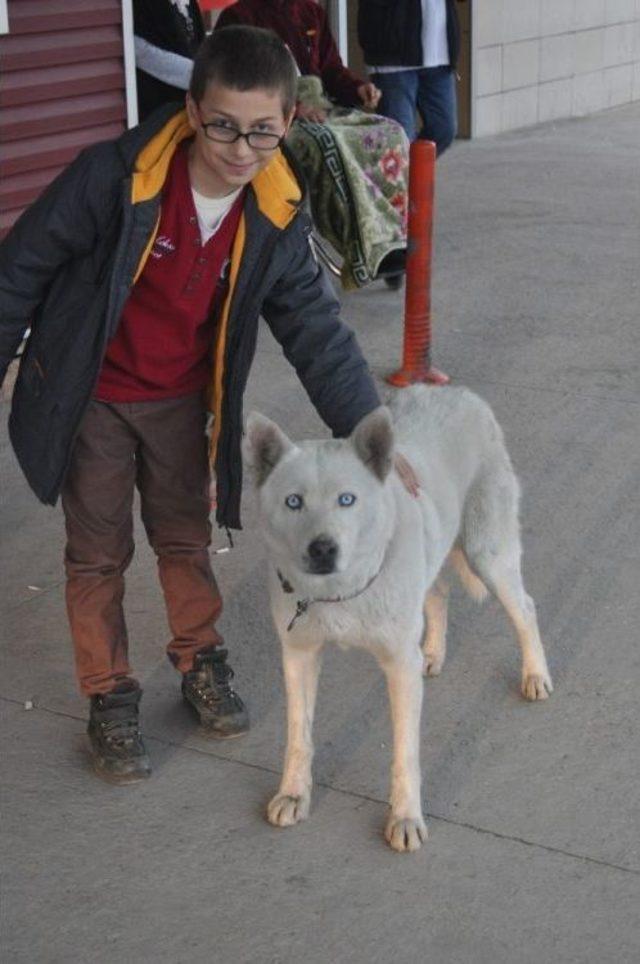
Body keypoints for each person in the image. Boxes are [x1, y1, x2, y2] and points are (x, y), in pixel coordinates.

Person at [0, 26, 382, 785]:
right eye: (224, 127)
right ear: (192, 109)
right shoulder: (113, 178)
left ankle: (199, 657)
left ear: (288, 122)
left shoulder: (274, 212)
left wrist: (376, 442)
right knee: (98, 553)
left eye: (263, 133)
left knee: (184, 538)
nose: (242, 150)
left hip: (181, 402)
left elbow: (315, 329)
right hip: (94, 399)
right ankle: (108, 692)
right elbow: (21, 268)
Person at [216, 1, 409, 290]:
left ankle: (390, 241)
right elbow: (242, 82)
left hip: (320, 108)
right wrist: (292, 106)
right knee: (327, 142)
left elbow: (331, 70)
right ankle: (360, 244)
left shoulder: (311, 12)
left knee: (391, 132)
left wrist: (358, 88)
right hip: (271, 120)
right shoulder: (239, 17)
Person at [358, 0, 462, 156]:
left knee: (444, 129)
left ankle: (410, 175)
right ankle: (404, 176)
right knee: (400, 139)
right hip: (393, 56)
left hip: (439, 53)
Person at [133, 0, 205, 121]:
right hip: (158, 106)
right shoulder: (142, 5)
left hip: (189, 105)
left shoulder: (190, 4)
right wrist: (200, 75)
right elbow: (141, 52)